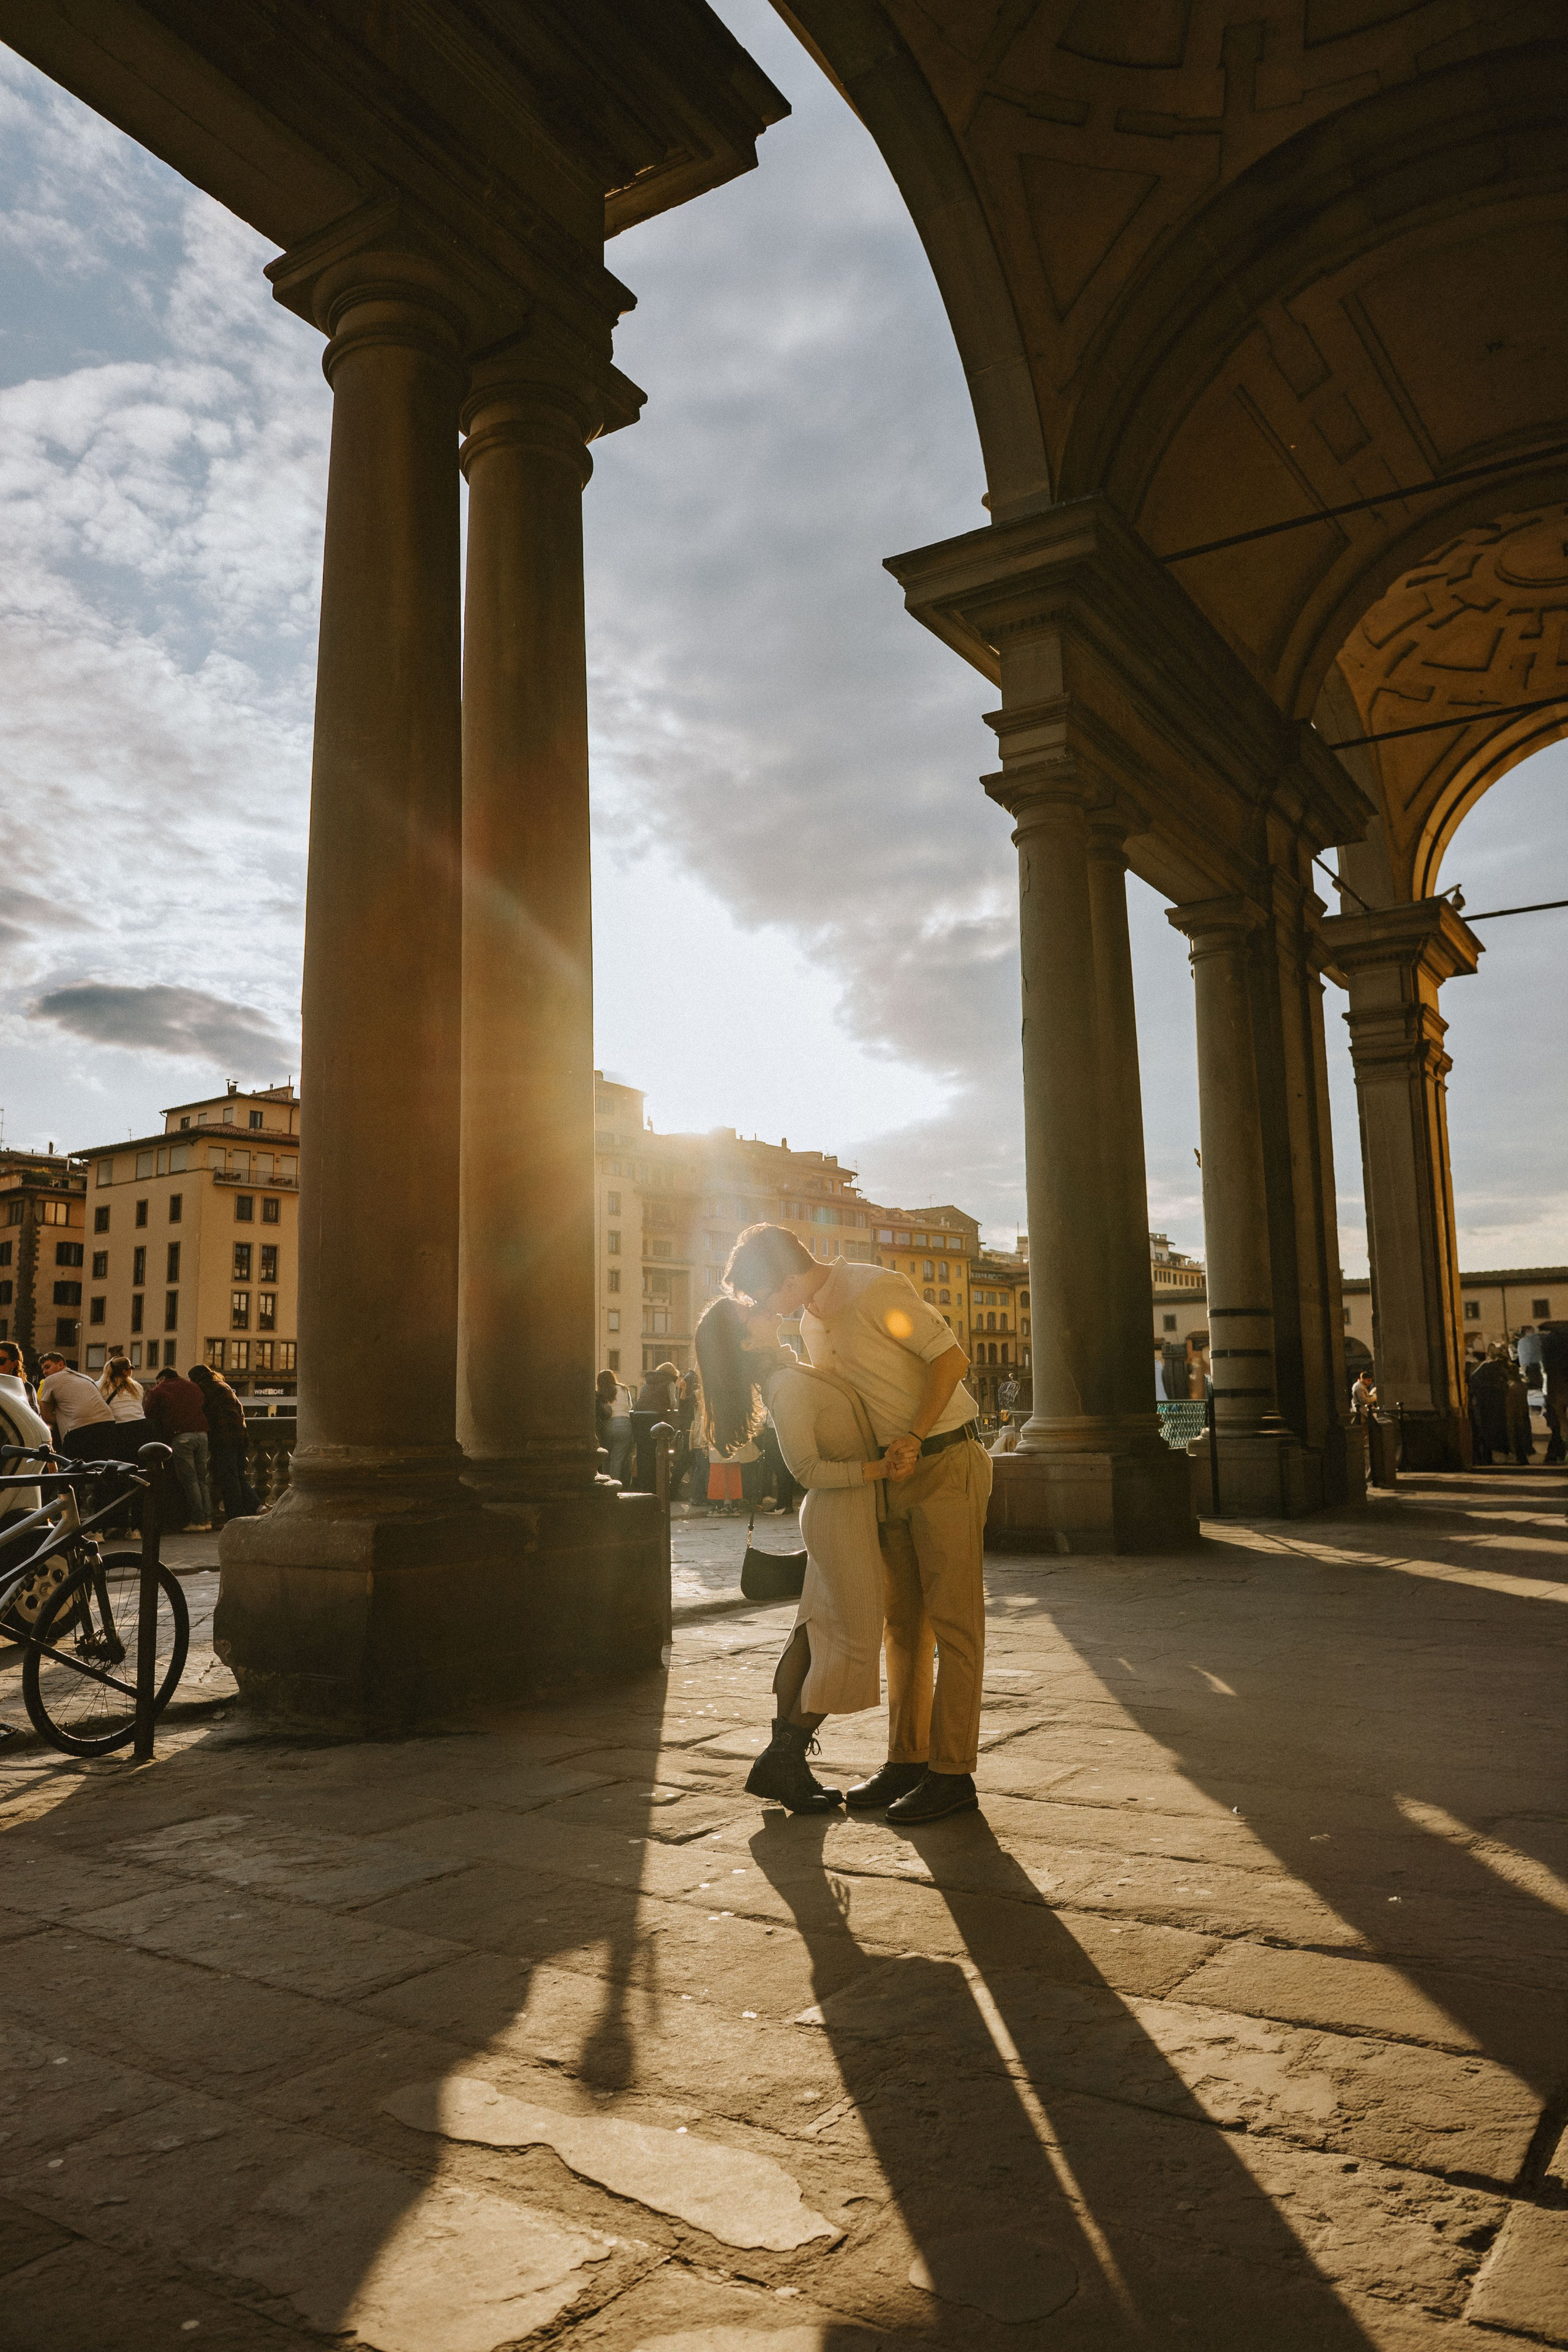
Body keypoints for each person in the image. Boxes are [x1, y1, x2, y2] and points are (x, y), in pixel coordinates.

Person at [725, 1223, 990, 1826]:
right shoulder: (810, 1319)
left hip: (945, 1461)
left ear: (787, 1281)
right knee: (904, 1627)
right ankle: (908, 1760)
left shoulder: (874, 1291)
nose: (763, 1311)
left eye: (763, 1299)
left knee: (954, 1624)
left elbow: (950, 1359)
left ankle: (953, 1775)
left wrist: (915, 1435)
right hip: (891, 1480)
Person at [695, 1294, 897, 1812]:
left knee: (811, 1633)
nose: (762, 1306)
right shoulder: (784, 1387)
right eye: (749, 1310)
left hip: (840, 1514)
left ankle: (787, 1764)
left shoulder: (789, 1369)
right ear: (745, 1340)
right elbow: (806, 1469)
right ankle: (783, 1757)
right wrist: (877, 1470)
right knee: (855, 1641)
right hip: (841, 1514)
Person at [144, 1365, 212, 1529]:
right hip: (202, 1435)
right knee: (202, 1479)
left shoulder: (160, 1389)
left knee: (190, 1481)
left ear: (162, 1379)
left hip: (182, 1437)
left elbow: (148, 1413)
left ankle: (197, 1521)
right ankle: (208, 1520)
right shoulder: (194, 1387)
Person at [190, 1363, 259, 1520]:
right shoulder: (224, 1385)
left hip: (224, 1438)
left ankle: (235, 1516)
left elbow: (204, 1413)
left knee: (229, 1479)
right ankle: (256, 1508)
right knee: (238, 1476)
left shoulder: (205, 1389)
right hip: (241, 1436)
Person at [36, 1351, 116, 1464]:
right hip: (108, 1424)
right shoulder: (86, 1378)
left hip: (79, 1430)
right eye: (43, 1369)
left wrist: (63, 1420)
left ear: (61, 1365)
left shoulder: (50, 1380)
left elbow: (46, 1416)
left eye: (47, 1367)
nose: (45, 1372)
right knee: (102, 1468)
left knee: (74, 1470)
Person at [1468, 1344, 1510, 1466]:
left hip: (1485, 1403)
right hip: (1496, 1402)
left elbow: (1473, 1381)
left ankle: (1487, 1457)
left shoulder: (1483, 1368)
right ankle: (1499, 1454)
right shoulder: (1500, 1367)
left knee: (1485, 1429)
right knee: (1498, 1428)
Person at [1541, 1321, 1568, 1466]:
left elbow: (1546, 1365)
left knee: (1558, 1422)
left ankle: (1555, 1453)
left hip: (1556, 1386)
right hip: (1561, 1381)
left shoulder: (1549, 1341)